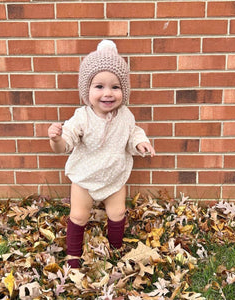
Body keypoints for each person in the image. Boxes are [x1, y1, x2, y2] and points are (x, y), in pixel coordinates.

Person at [48, 40, 155, 268]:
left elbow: (133, 133)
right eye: (99, 87)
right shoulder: (82, 117)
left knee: (117, 213)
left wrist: (140, 143)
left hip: (114, 176)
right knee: (78, 216)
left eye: (115, 87)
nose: (107, 93)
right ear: (87, 90)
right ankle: (73, 256)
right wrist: (56, 139)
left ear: (123, 91)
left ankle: (115, 248)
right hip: (85, 178)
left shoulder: (125, 116)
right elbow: (65, 143)